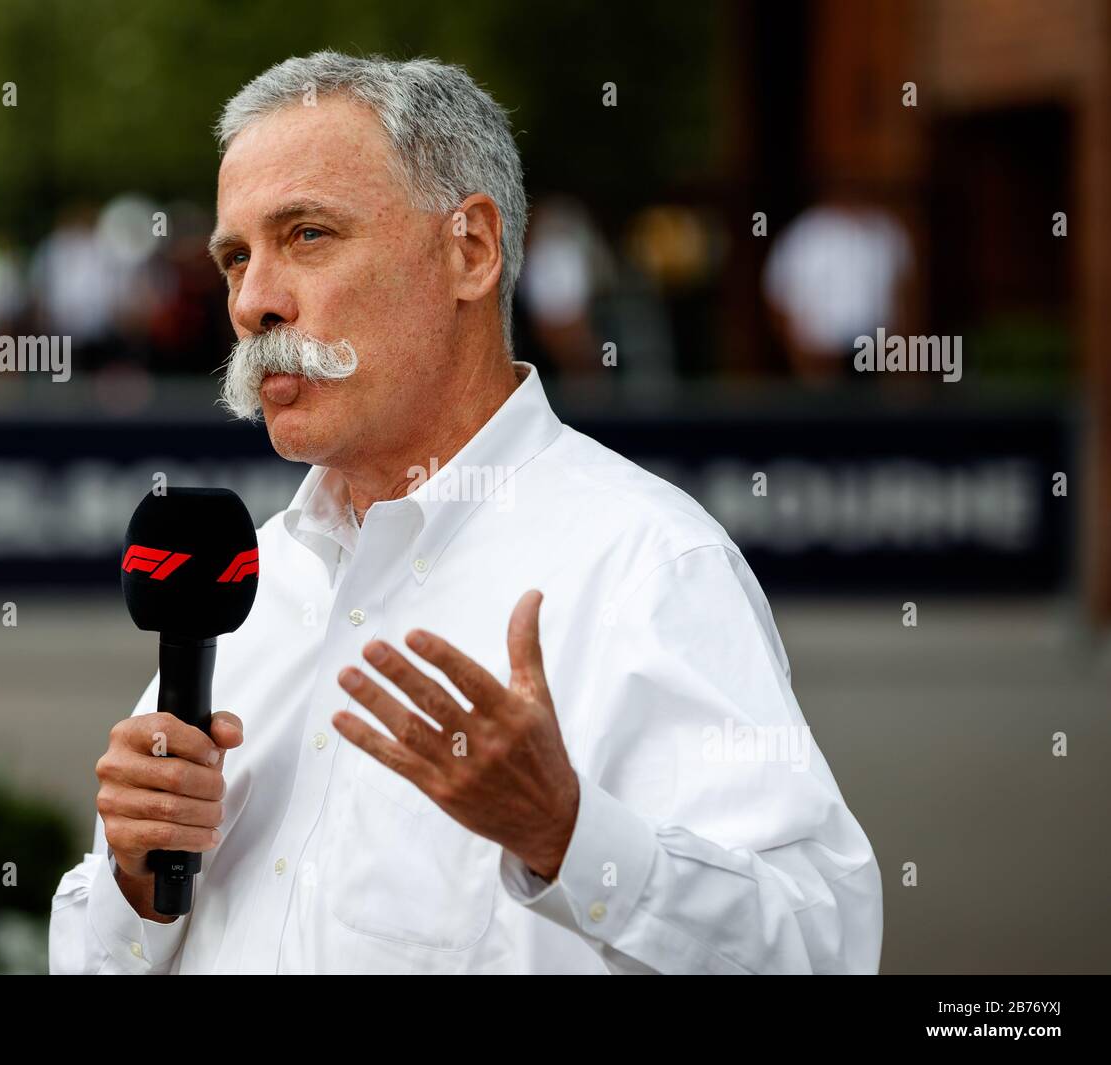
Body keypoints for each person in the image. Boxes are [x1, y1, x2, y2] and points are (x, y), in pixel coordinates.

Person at [48, 51, 882, 974]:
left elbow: (818, 945)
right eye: (236, 256)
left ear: (470, 250)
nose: (252, 301)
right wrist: (133, 882)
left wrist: (568, 834)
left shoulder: (644, 564)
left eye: (309, 235)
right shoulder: (249, 580)